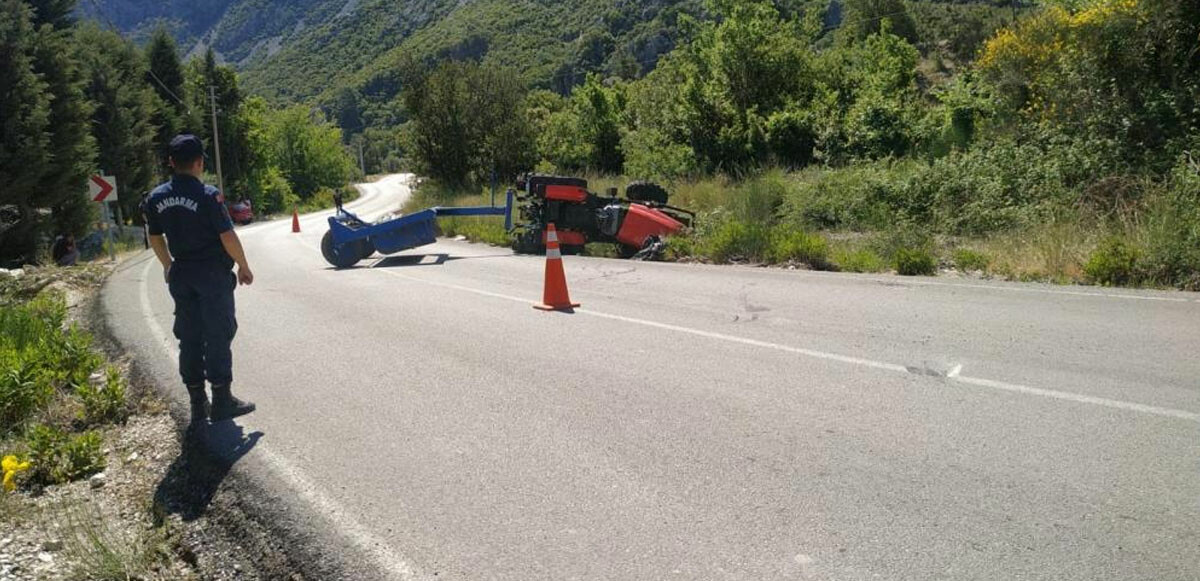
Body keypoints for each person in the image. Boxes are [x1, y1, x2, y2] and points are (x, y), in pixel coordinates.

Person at [144, 134, 256, 427]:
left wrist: (168, 265)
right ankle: (221, 400)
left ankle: (197, 402)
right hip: (211, 274)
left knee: (189, 336)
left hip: (182, 273)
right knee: (219, 332)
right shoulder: (207, 195)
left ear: (170, 162)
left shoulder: (156, 198)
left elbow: (154, 237)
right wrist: (243, 266)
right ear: (199, 162)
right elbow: (227, 235)